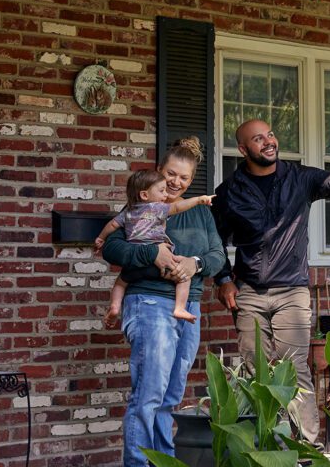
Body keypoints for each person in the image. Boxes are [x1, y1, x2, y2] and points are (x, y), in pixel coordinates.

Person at [211, 118, 330, 448]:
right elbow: (212, 239)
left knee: (294, 370)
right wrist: (222, 279)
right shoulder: (230, 192)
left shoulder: (300, 178)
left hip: (292, 291)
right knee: (256, 373)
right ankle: (268, 446)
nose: (268, 142)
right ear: (244, 148)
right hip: (248, 293)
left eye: (271, 134)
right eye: (258, 138)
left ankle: (307, 449)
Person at [101, 137, 225, 467]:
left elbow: (217, 257)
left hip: (188, 307)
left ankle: (164, 462)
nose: (175, 182)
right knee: (149, 396)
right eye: (171, 174)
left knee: (170, 397)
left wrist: (193, 264)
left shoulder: (199, 214)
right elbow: (111, 248)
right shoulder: (140, 208)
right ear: (159, 171)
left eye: (184, 178)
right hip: (149, 305)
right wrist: (150, 253)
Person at [94, 169, 214, 324]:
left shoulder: (128, 212)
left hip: (136, 263)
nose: (166, 195)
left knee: (120, 282)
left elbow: (112, 224)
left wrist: (100, 238)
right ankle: (180, 308)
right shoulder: (157, 208)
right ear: (145, 195)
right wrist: (198, 200)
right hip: (159, 260)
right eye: (162, 191)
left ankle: (115, 307)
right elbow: (178, 208)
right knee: (184, 278)